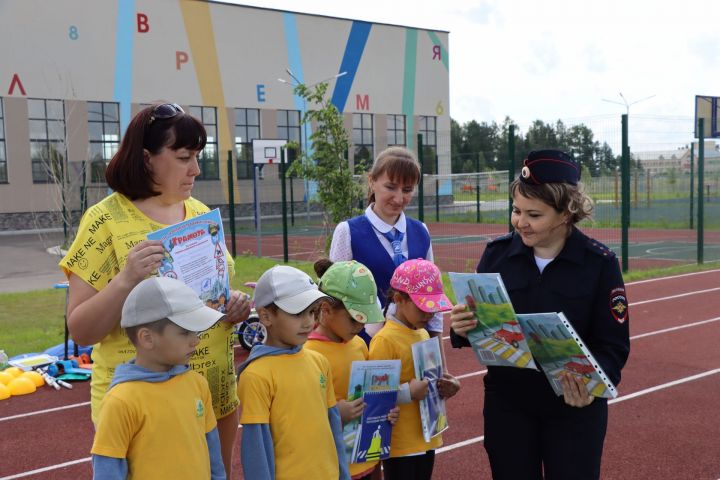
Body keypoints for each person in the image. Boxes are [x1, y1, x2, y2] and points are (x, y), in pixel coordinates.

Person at [60, 103, 251, 477]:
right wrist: (126, 279)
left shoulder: (198, 213)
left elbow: (211, 298)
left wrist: (233, 308)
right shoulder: (104, 220)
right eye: (183, 157)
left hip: (211, 391)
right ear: (147, 159)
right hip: (140, 401)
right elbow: (81, 330)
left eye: (197, 156)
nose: (195, 169)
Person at [449, 149, 631, 480]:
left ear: (566, 212)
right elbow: (480, 328)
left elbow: (614, 345)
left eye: (534, 215)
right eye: (516, 211)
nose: (520, 222)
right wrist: (461, 327)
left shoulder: (600, 264)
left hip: (574, 411)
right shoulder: (497, 256)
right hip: (508, 406)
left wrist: (591, 385)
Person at [91, 276, 226, 480]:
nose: (196, 341)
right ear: (147, 338)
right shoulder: (121, 401)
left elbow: (212, 450)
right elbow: (107, 469)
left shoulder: (197, 384)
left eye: (196, 332)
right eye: (185, 333)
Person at [328, 147, 451, 368]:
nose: (399, 198)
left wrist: (439, 365)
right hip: (365, 350)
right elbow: (335, 298)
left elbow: (431, 299)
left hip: (415, 351)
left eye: (407, 189)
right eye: (390, 187)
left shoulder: (421, 231)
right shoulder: (347, 231)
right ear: (372, 182)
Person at [236, 265, 350, 480]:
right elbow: (256, 450)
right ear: (266, 316)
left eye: (311, 312)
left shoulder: (319, 362)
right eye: (297, 313)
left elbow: (333, 428)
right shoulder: (256, 375)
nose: (308, 322)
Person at [306, 259, 398, 480]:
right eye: (354, 319)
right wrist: (336, 414)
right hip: (330, 467)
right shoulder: (308, 353)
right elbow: (300, 417)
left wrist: (385, 411)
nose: (360, 327)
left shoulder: (358, 344)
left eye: (364, 320)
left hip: (365, 461)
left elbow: (368, 393)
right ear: (326, 310)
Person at [369, 259, 460, 480]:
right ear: (399, 299)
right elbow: (374, 397)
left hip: (427, 435)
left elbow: (431, 380)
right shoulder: (384, 341)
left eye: (433, 308)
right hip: (400, 443)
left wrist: (446, 385)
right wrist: (407, 393)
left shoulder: (422, 333)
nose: (429, 315)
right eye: (423, 308)